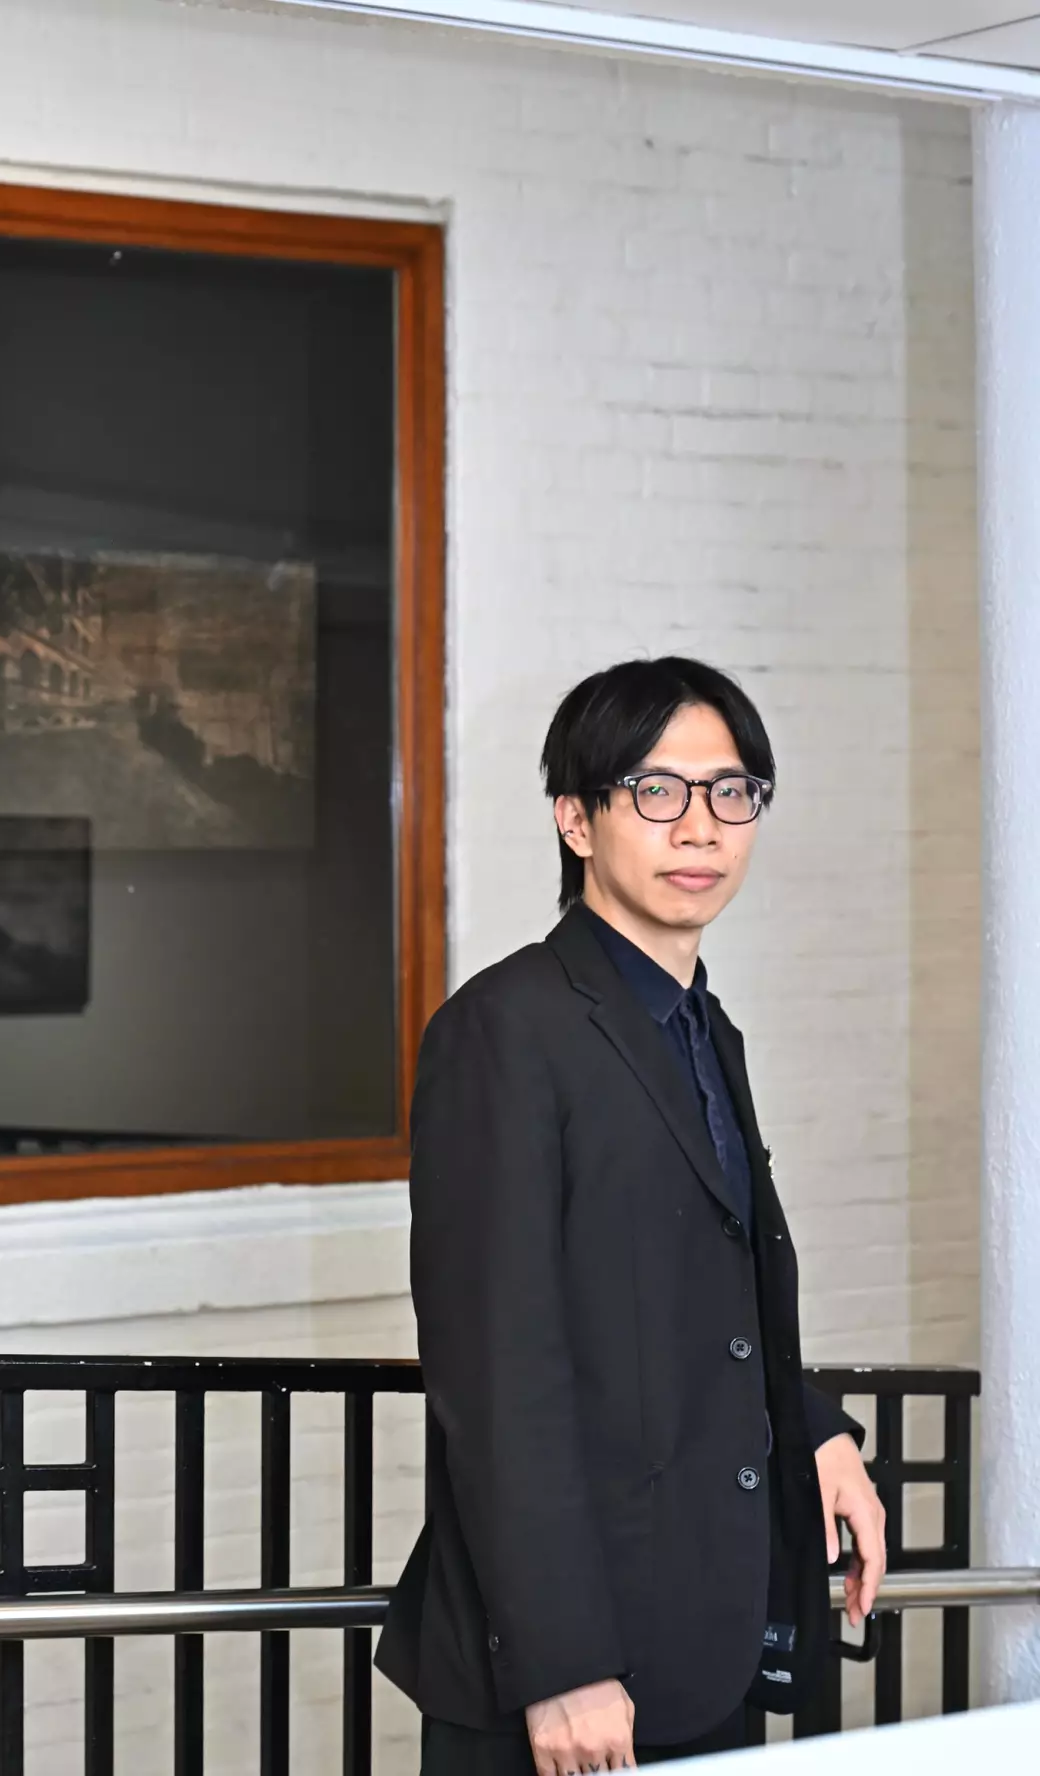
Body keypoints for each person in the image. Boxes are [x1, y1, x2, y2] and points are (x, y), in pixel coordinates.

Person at [375, 657, 887, 1773]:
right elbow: (497, 1373)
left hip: (700, 1632)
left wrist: (813, 1429)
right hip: (566, 1671)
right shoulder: (503, 1030)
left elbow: (695, 1293)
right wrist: (562, 1664)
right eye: (657, 792)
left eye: (731, 791)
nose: (700, 826)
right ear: (577, 820)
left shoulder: (701, 1028)